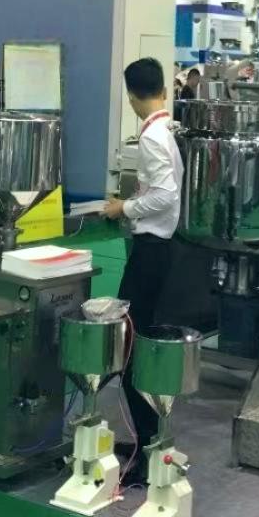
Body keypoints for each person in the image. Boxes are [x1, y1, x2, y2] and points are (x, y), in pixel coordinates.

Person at [101, 57, 183, 485]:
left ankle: (145, 447)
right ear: (163, 90)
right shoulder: (166, 130)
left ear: (132, 96)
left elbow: (165, 195)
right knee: (142, 342)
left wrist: (124, 207)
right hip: (160, 249)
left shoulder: (151, 136)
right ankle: (148, 440)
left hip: (150, 251)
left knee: (132, 345)